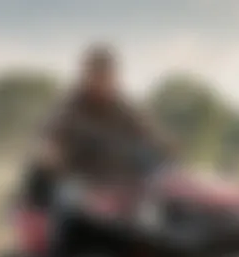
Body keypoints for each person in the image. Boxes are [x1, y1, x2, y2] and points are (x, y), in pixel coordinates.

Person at [23, 43, 176, 208]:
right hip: (82, 180)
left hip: (123, 181)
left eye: (107, 74)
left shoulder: (122, 109)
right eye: (97, 74)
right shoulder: (69, 109)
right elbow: (48, 143)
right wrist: (51, 154)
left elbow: (151, 136)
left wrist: (165, 147)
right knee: (71, 200)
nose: (103, 81)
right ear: (86, 75)